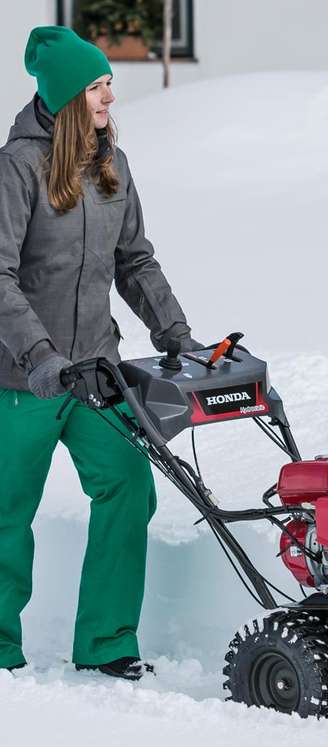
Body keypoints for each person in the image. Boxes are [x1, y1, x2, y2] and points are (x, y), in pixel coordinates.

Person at [0, 27, 197, 679]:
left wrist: (176, 334)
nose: (111, 92)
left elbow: (134, 258)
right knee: (6, 511)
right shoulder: (17, 167)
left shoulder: (113, 160)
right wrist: (37, 353)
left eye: (108, 80)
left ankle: (107, 642)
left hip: (94, 372)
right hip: (21, 378)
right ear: (64, 95)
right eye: (97, 84)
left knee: (128, 484)